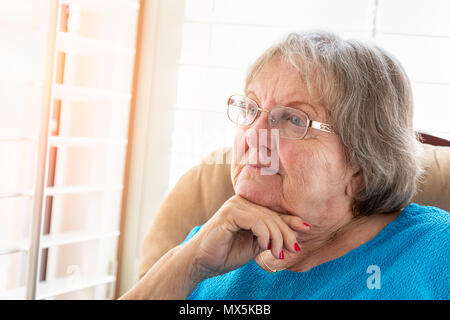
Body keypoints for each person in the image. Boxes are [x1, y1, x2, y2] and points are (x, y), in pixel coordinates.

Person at [120, 31, 449, 300]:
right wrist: (189, 263)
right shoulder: (206, 247)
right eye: (251, 109)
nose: (254, 136)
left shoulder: (436, 250)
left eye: (294, 120)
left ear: (362, 165)